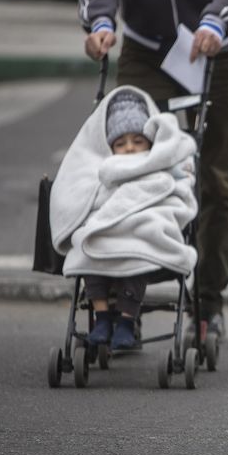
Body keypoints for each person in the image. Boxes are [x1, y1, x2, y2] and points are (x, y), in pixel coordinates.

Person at [76, 0, 228, 338]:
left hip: (217, 44)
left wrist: (218, 19)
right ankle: (127, 299)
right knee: (130, 169)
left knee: (214, 177)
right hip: (146, 49)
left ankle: (208, 304)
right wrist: (100, 18)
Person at [50, 87, 198, 350]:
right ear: (109, 148)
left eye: (138, 141)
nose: (130, 149)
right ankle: (103, 317)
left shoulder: (158, 163)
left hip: (142, 227)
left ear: (151, 144)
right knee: (86, 244)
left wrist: (182, 175)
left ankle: (127, 322)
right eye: (121, 143)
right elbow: (81, 191)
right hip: (105, 227)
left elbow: (181, 185)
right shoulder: (102, 168)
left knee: (137, 251)